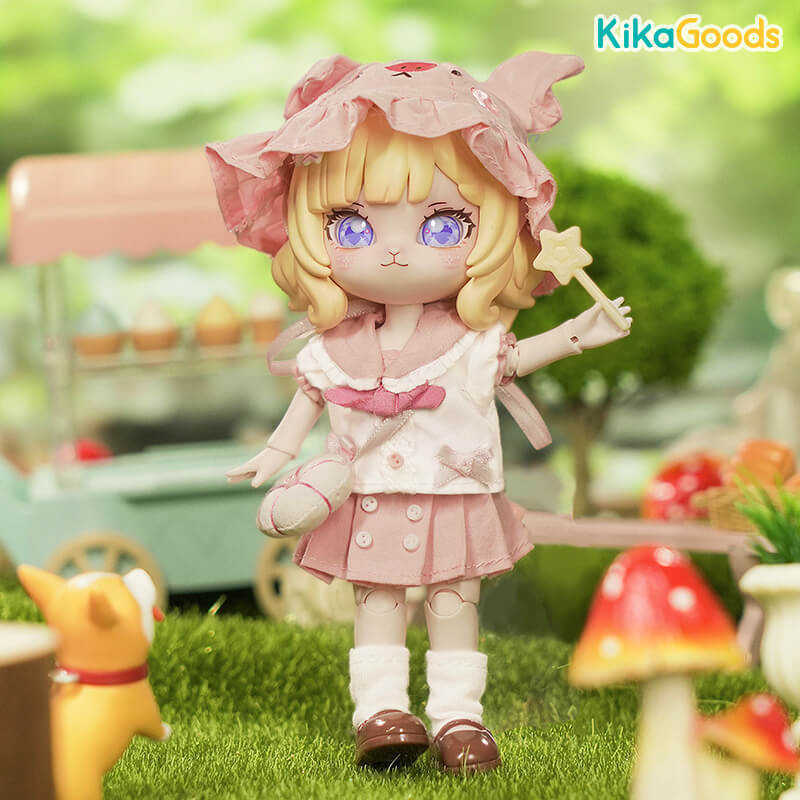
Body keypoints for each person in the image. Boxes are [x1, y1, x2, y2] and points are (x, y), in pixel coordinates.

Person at [206, 53, 631, 773]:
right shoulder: (334, 349)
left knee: (452, 602)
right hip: (370, 493)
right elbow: (309, 401)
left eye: (443, 226)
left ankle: (460, 717)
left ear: (496, 230)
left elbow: (513, 361)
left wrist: (576, 335)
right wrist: (276, 456)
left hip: (453, 494)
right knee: (377, 601)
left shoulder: (468, 341)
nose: (395, 252)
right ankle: (380, 711)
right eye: (350, 225)